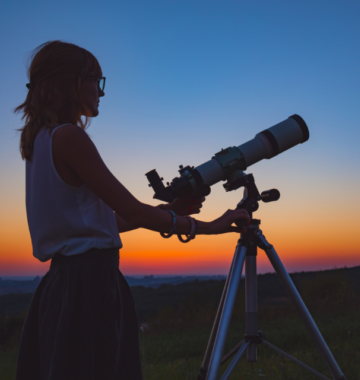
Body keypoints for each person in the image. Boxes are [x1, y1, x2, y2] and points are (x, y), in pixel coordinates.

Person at [15, 40, 250, 380]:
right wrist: (210, 226)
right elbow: (135, 213)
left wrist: (167, 208)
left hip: (63, 283)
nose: (101, 91)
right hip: (91, 284)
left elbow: (100, 222)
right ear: (71, 83)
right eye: (96, 80)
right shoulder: (69, 138)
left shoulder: (39, 140)